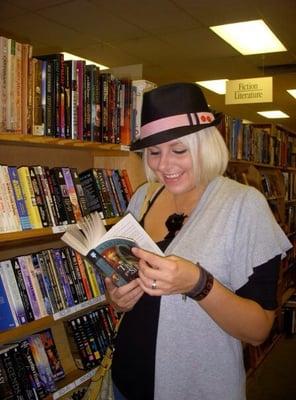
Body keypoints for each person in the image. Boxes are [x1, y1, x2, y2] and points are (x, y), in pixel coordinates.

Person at [105, 82, 292, 400]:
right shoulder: (142, 199)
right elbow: (122, 283)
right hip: (125, 381)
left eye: (178, 150)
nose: (164, 165)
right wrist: (116, 297)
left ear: (205, 145)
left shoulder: (244, 206)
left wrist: (198, 284)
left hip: (197, 389)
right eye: (154, 152)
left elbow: (259, 329)